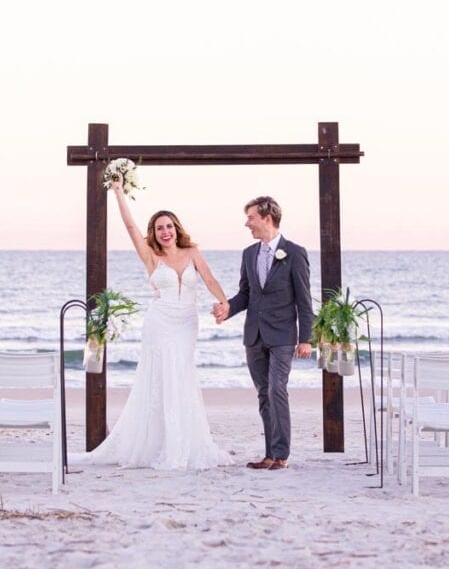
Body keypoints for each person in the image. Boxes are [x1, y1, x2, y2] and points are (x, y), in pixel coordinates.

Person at [85, 179, 232, 469]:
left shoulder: (192, 253)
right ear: (154, 233)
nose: (165, 232)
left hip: (187, 322)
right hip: (160, 323)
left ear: (177, 228)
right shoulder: (151, 256)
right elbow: (130, 228)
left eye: (169, 226)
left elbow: (210, 279)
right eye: (159, 227)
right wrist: (118, 193)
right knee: (160, 378)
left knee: (182, 376)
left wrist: (224, 302)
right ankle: (158, 444)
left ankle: (183, 441)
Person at [212, 196, 313, 471]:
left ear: (267, 218)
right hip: (254, 335)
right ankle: (269, 455)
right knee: (263, 394)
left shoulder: (294, 253)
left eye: (251, 218)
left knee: (276, 388)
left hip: (282, 336)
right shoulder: (249, 254)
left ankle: (281, 455)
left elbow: (304, 300)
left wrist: (306, 338)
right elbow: (246, 294)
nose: (247, 224)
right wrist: (227, 308)